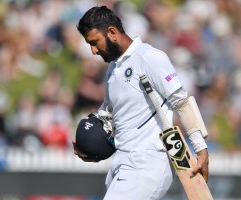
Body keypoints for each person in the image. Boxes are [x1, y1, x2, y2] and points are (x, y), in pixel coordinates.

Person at [73, 6, 209, 200]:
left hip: (147, 163)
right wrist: (88, 144)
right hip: (121, 163)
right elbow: (108, 114)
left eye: (95, 42)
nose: (93, 51)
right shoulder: (113, 68)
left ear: (112, 32)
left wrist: (200, 149)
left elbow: (182, 101)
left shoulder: (149, 57)